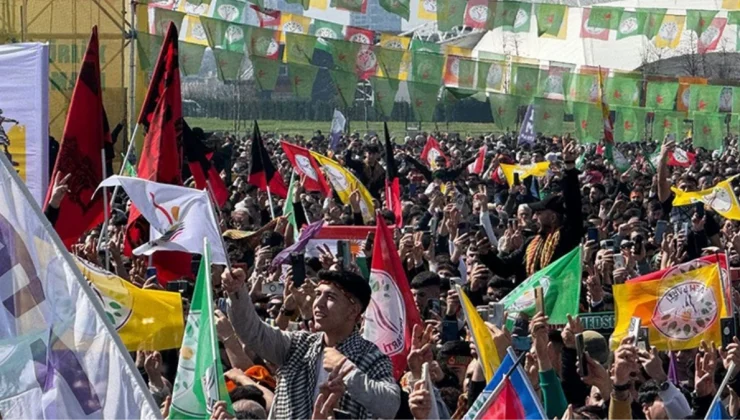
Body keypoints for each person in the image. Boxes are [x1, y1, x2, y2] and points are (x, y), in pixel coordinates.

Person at [222, 267, 401, 419]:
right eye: (317, 294)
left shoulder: (371, 358)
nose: (318, 304)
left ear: (353, 310)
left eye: (330, 297)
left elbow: (390, 406)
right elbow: (253, 333)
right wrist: (237, 291)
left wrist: (347, 370)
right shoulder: (298, 344)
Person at [480, 141, 584, 282]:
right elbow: (504, 269)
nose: (534, 217)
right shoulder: (531, 243)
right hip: (534, 301)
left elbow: (573, 204)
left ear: (553, 217)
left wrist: (570, 167)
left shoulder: (567, 237)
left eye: (540, 213)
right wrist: (486, 254)